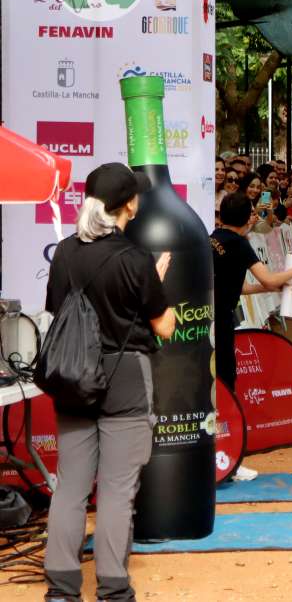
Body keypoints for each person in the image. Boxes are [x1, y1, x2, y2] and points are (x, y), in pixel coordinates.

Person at [44, 163, 175, 602]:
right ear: (130, 204)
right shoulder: (136, 259)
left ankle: (61, 590)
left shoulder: (63, 252)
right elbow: (164, 327)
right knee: (118, 491)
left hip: (73, 379)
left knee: (70, 488)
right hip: (126, 381)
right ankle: (114, 590)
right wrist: (156, 284)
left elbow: (61, 312)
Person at [210, 192, 292, 481]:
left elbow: (242, 287)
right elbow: (268, 278)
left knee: (210, 387)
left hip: (202, 323)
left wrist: (267, 290)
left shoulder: (212, 238)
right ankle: (229, 461)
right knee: (225, 389)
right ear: (249, 218)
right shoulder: (240, 245)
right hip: (219, 324)